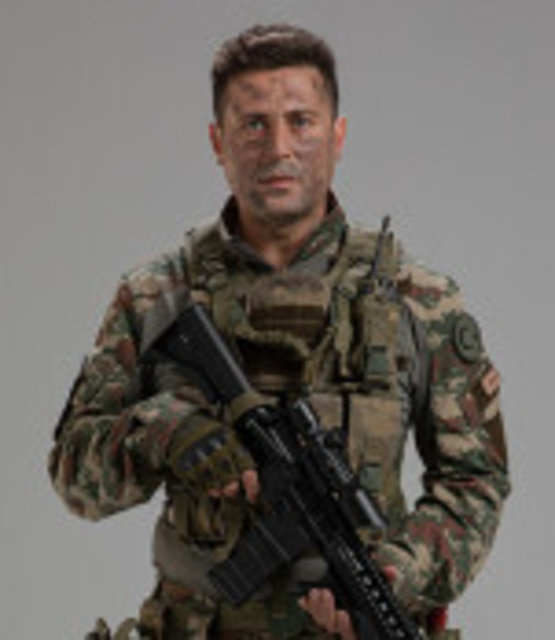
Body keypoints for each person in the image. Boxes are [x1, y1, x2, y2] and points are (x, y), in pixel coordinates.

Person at [49, 23, 510, 640]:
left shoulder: (418, 299)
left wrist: (400, 572)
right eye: (253, 125)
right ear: (218, 141)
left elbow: (476, 481)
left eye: (301, 121)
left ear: (337, 136)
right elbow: (75, 479)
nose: (279, 148)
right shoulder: (158, 296)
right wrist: (162, 430)